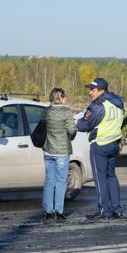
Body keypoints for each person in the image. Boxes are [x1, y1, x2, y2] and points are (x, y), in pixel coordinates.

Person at [76, 77, 126, 219]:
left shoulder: (98, 106)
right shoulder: (118, 102)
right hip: (114, 144)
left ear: (101, 91)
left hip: (100, 145)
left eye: (93, 90)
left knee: (100, 179)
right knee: (112, 177)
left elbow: (83, 125)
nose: (90, 93)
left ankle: (104, 210)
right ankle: (117, 209)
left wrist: (77, 121)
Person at [42, 87, 77, 221]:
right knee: (61, 181)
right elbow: (72, 130)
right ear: (60, 97)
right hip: (62, 151)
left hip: (48, 150)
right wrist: (70, 137)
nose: (66, 98)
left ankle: (47, 211)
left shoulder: (46, 111)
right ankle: (58, 210)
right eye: (65, 96)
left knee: (49, 181)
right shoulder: (66, 112)